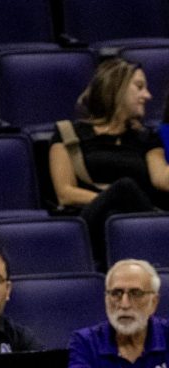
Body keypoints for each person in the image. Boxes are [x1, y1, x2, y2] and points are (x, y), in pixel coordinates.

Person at [50, 58, 169, 261]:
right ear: (117, 87)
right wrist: (115, 196)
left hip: (136, 222)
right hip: (90, 220)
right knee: (124, 189)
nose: (147, 96)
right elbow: (65, 193)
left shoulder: (147, 138)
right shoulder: (68, 133)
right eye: (140, 87)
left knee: (119, 206)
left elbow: (162, 180)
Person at [68, 259, 169, 368]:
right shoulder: (86, 341)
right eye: (116, 293)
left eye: (136, 293)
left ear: (154, 302)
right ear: (106, 299)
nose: (124, 304)